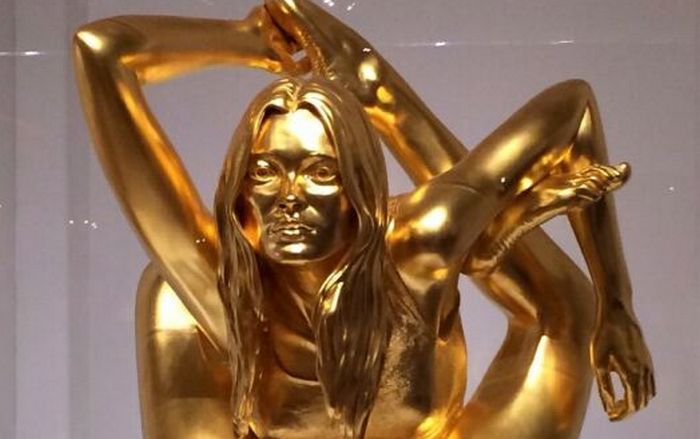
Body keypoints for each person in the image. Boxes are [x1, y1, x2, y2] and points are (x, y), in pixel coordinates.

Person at [72, 1, 655, 438]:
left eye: (321, 173)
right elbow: (99, 50)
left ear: (359, 192)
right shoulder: (218, 287)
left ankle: (411, 140)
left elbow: (573, 108)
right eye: (265, 172)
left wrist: (617, 306)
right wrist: (249, 41)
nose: (289, 197)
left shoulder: (418, 244)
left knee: (568, 310)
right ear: (240, 193)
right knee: (166, 292)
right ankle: (486, 240)